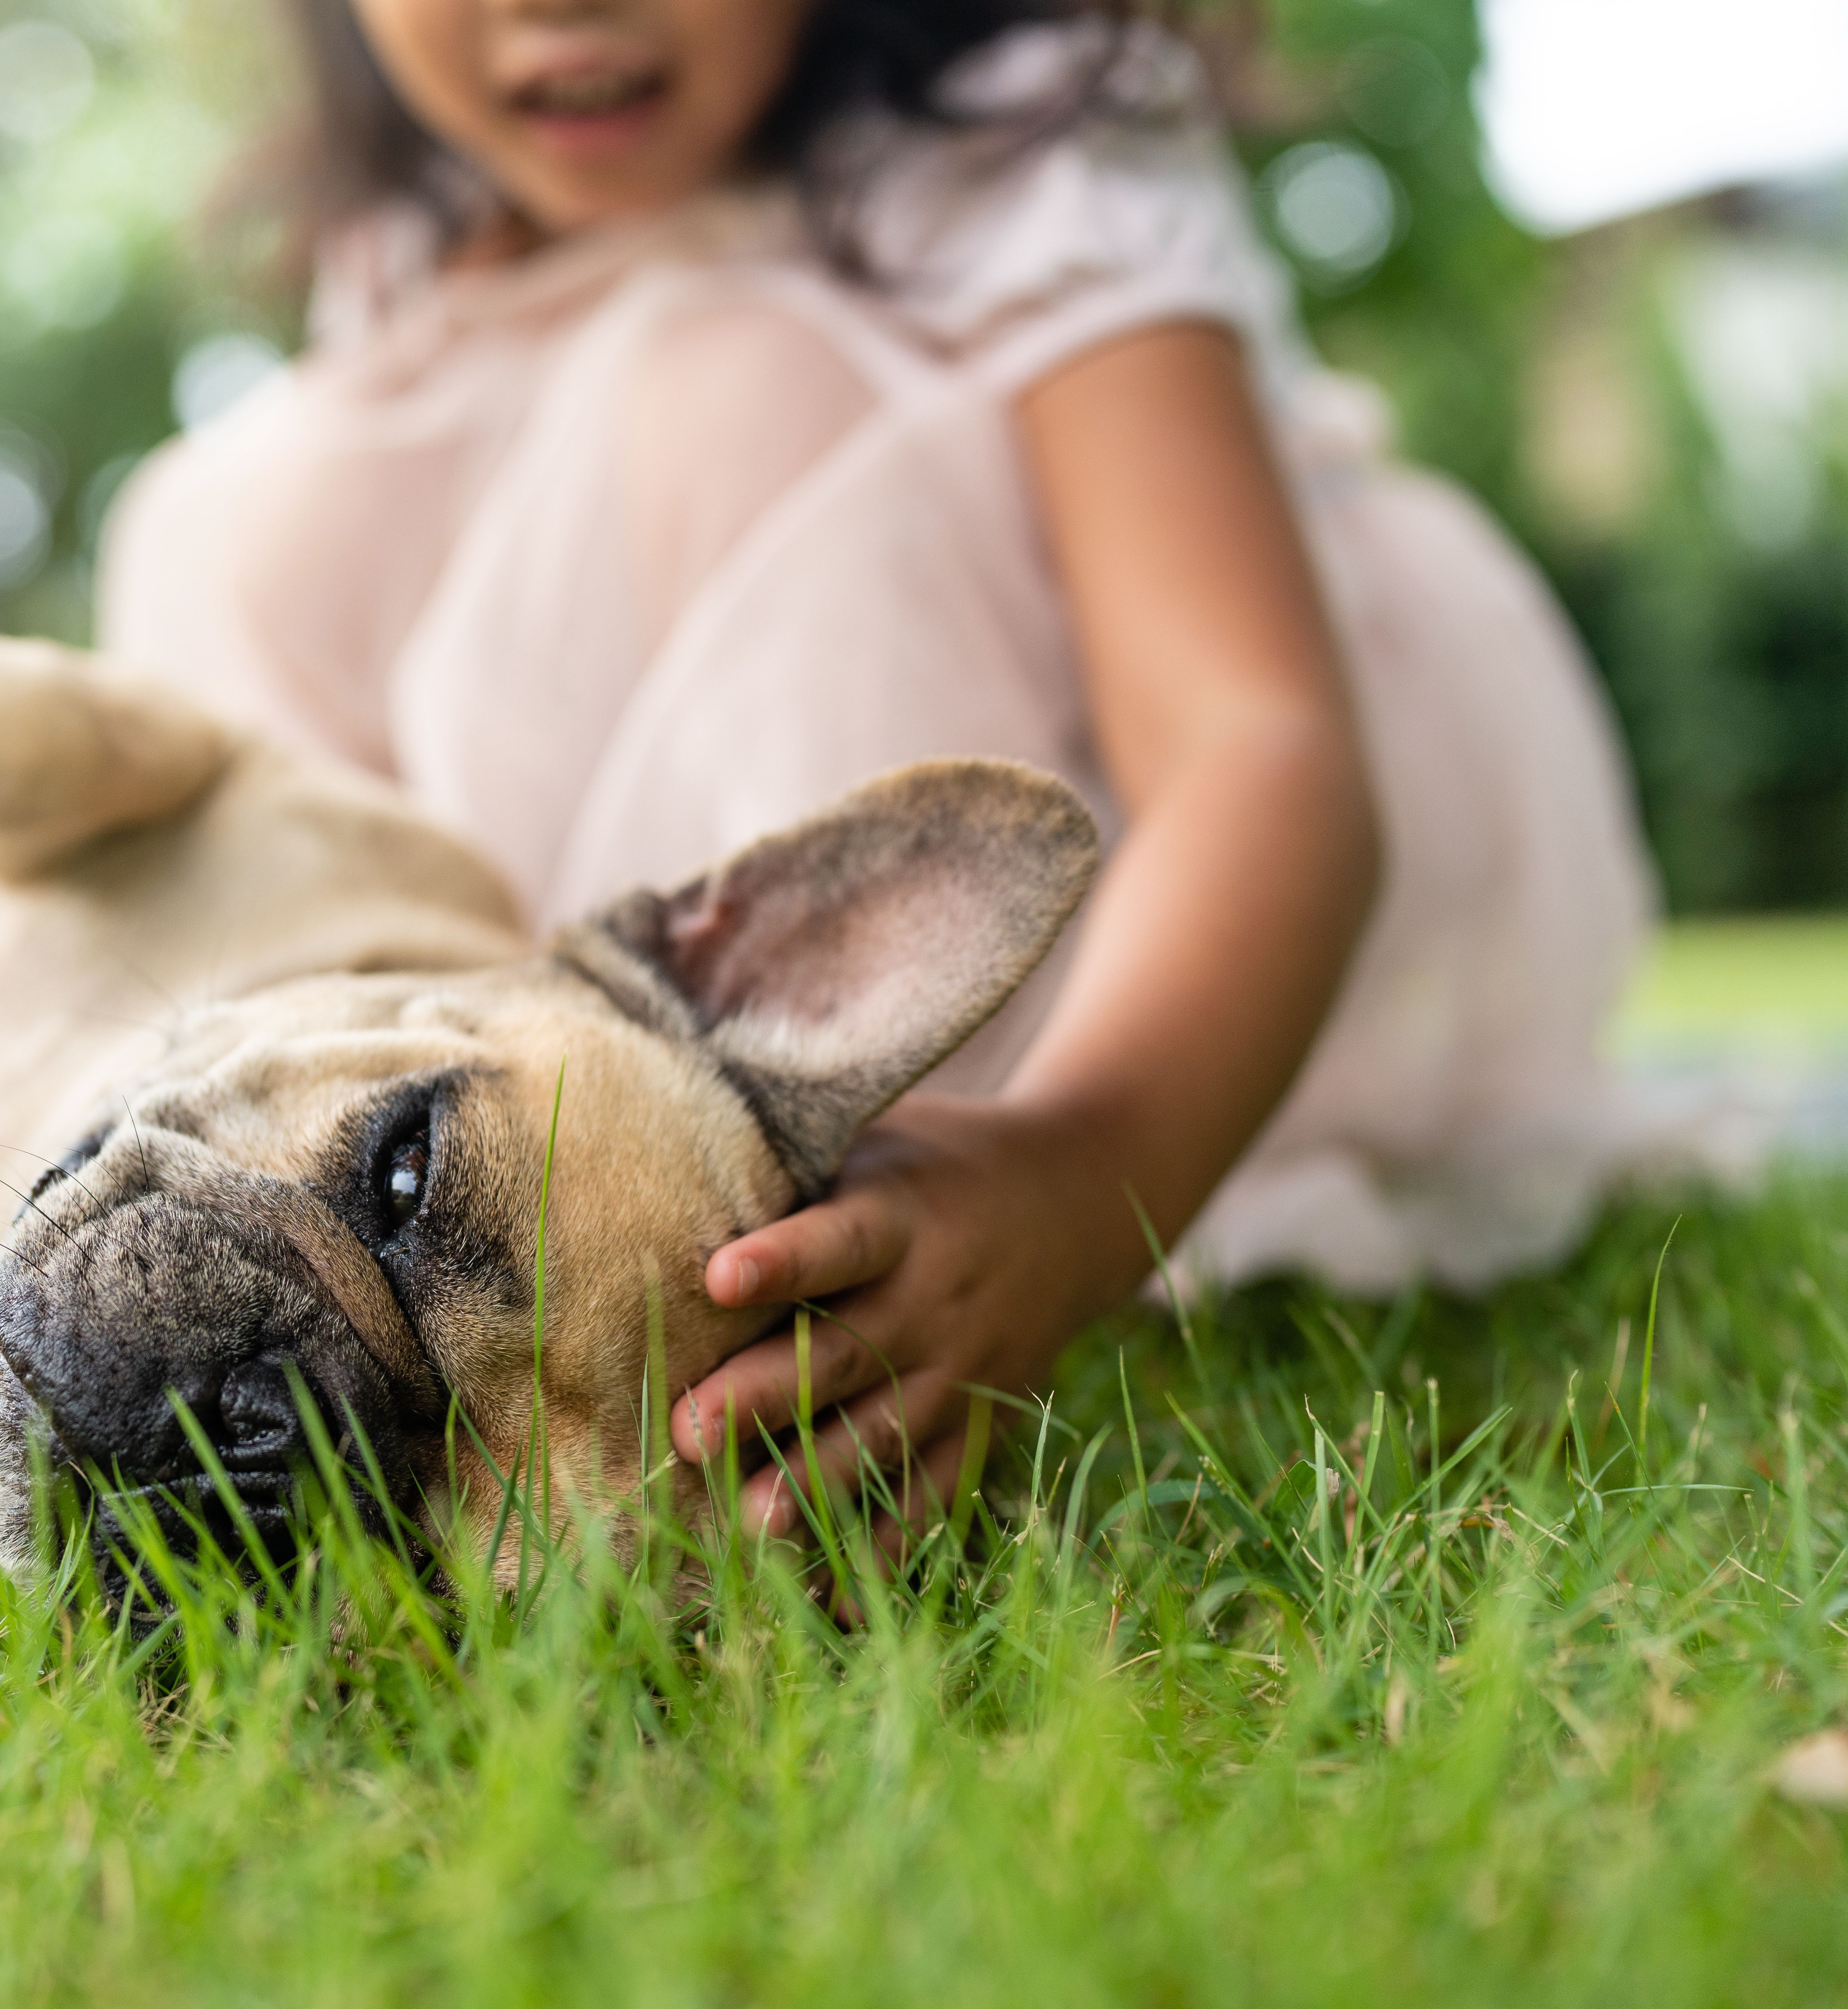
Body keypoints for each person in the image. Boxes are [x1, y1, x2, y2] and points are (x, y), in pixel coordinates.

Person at [91, 0, 1690, 1541]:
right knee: (256, 515)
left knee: (729, 381)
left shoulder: (1020, 131)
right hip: (614, 983)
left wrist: (1081, 1182)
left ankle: (854, 1164)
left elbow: (1249, 742)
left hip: (1117, 940)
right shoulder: (419, 238)